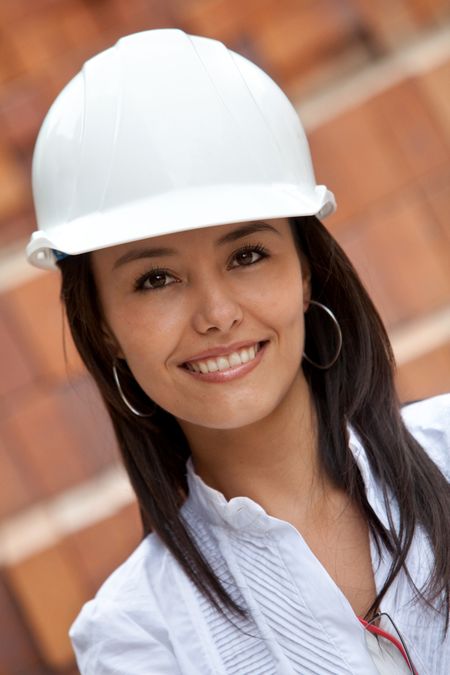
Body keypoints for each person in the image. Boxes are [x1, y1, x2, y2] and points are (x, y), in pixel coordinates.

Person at [26, 28, 449, 675]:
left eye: (247, 255)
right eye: (155, 278)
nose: (217, 313)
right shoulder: (137, 636)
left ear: (305, 270)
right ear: (103, 323)